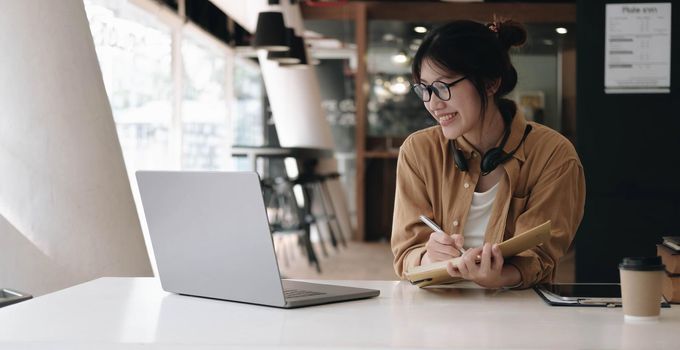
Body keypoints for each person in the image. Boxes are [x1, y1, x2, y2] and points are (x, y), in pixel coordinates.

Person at [391, 19, 586, 289]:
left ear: (491, 83)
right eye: (425, 88)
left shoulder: (553, 155)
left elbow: (540, 256)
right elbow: (405, 255)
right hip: (435, 313)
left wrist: (497, 277)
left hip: (517, 313)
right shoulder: (419, 151)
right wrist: (427, 257)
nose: (433, 103)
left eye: (444, 86)